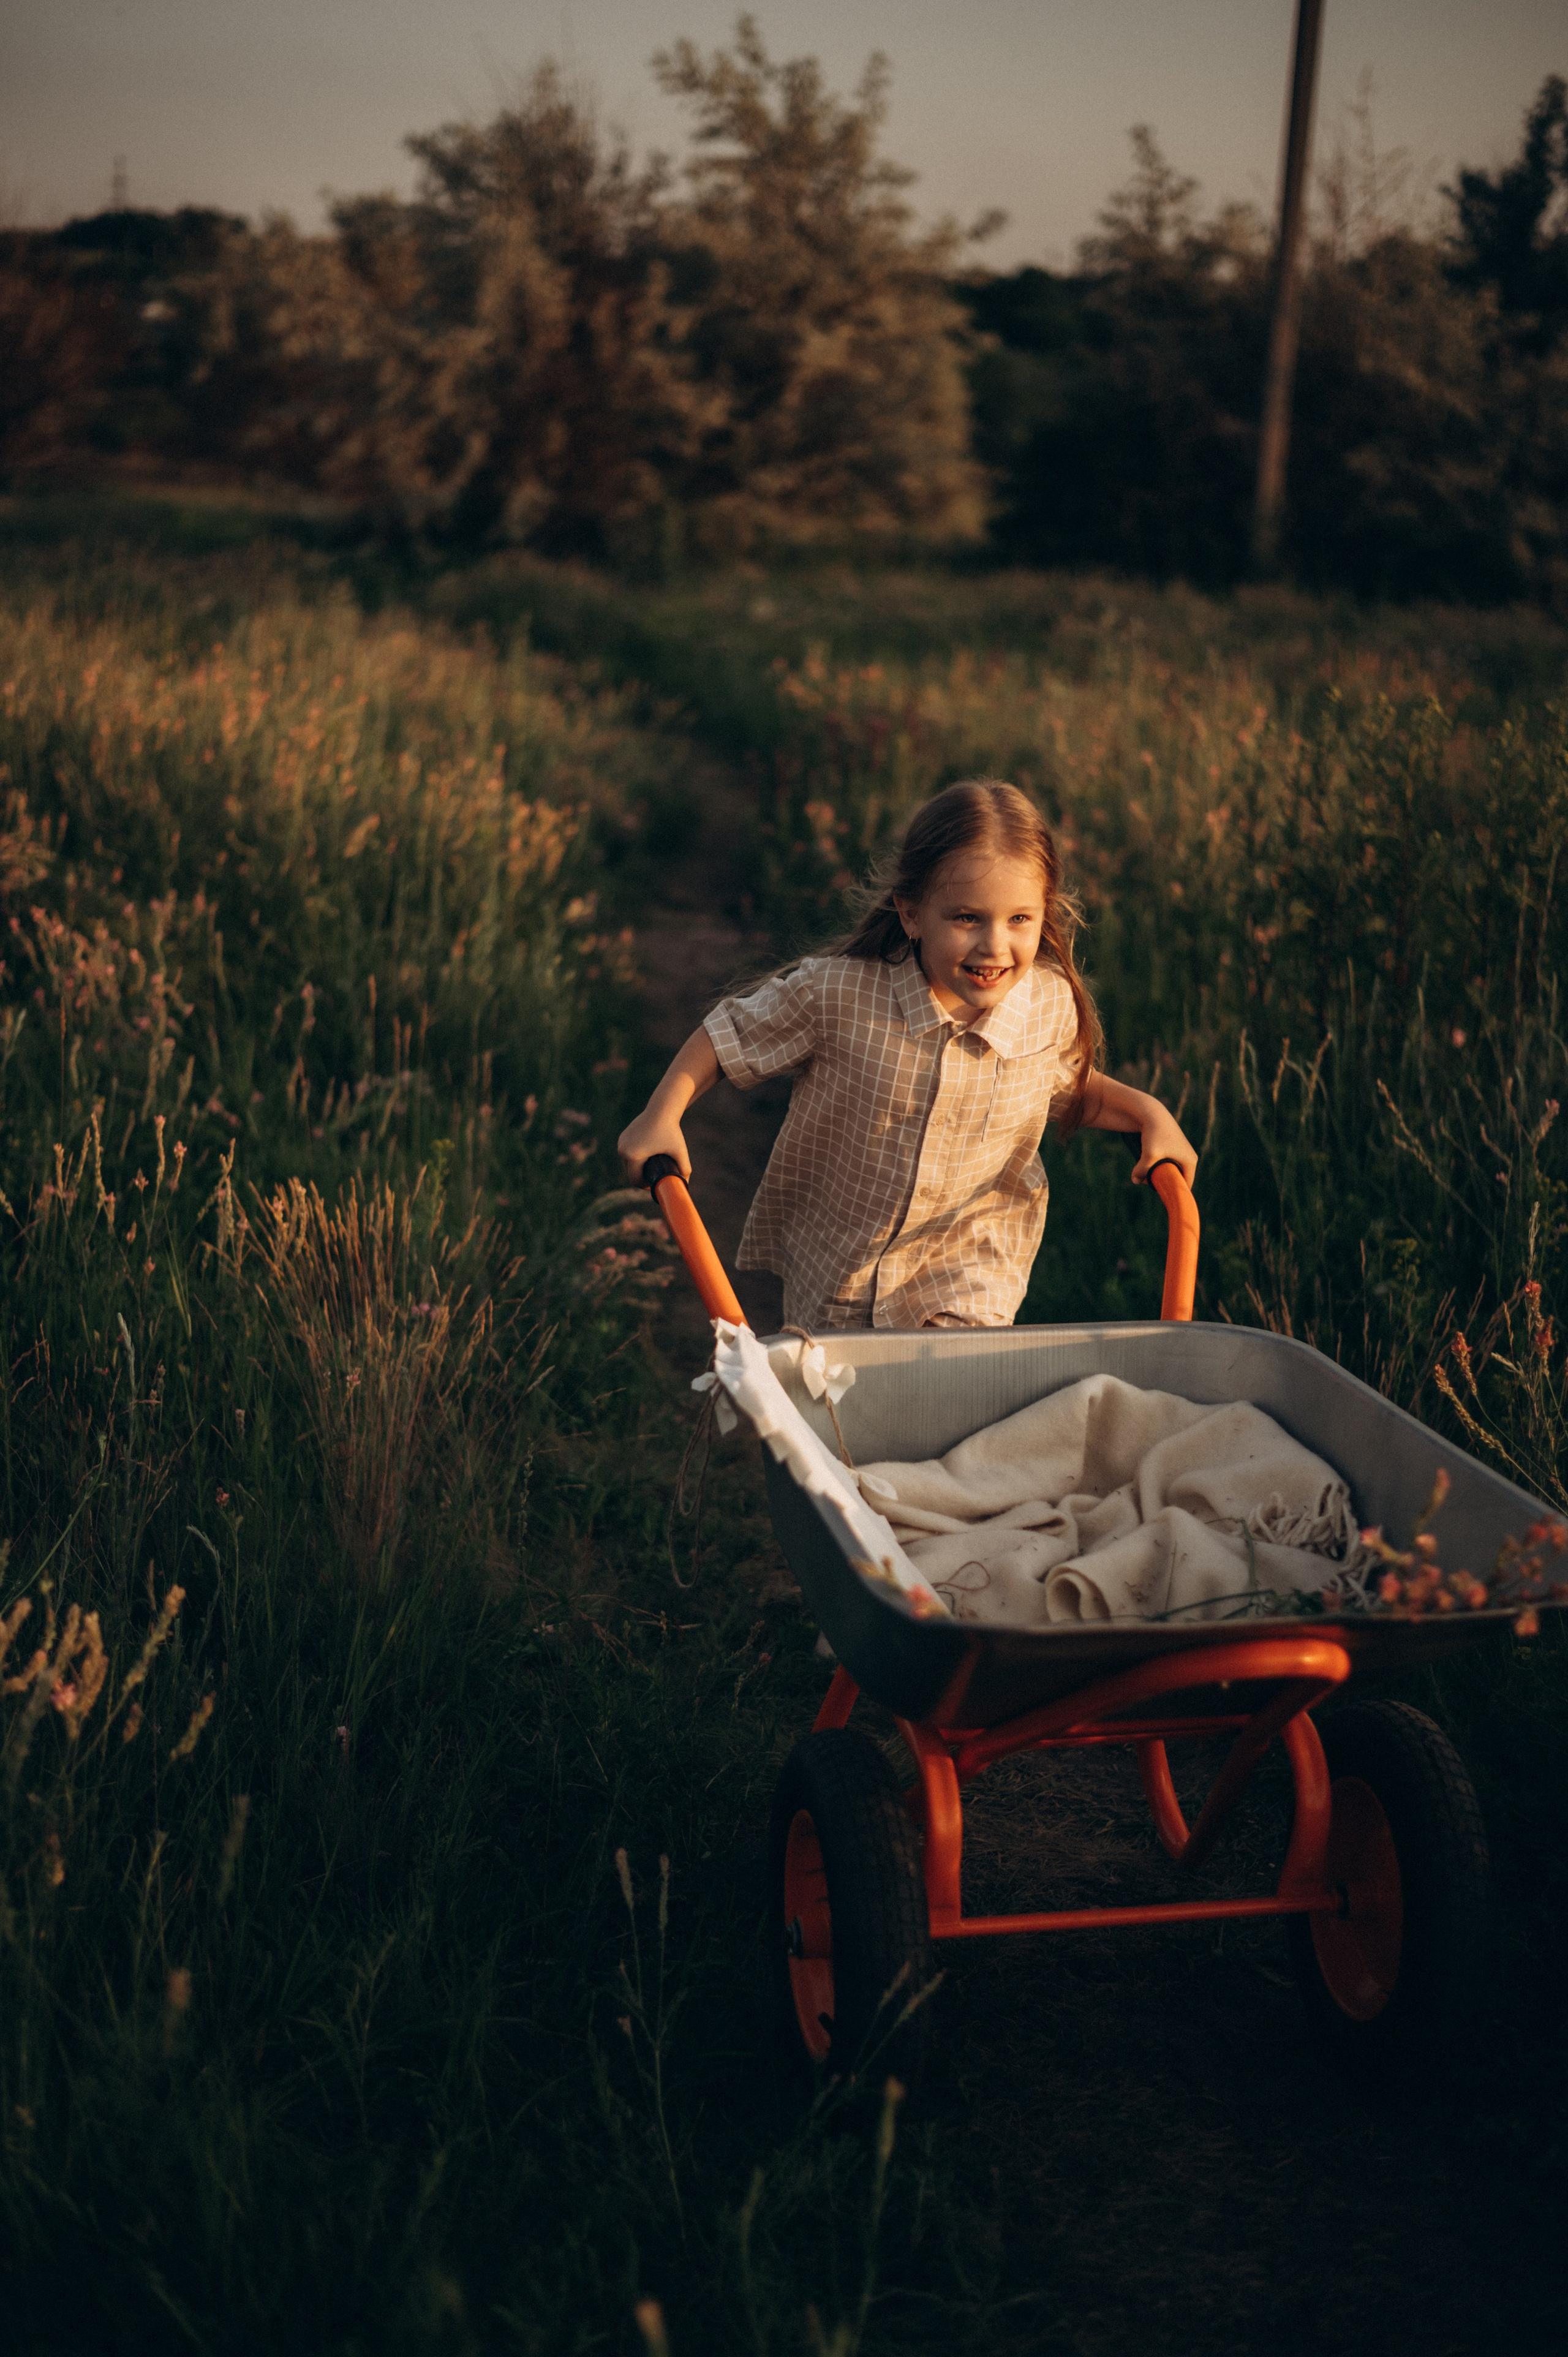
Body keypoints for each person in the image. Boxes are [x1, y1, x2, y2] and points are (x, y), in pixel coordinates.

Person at [617, 779, 1197, 1332]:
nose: (995, 945)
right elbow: (727, 1038)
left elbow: (1068, 1085)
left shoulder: (1046, 1004)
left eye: (1020, 919)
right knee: (840, 1425)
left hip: (970, 1272)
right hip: (838, 1275)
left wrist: (1149, 1114)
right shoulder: (839, 995)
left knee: (949, 1398)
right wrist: (662, 1115)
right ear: (912, 913)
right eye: (967, 917)